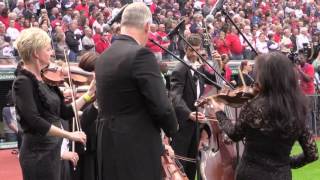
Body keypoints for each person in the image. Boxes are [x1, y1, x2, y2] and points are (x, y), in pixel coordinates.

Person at [95, 3, 178, 180]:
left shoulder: (104, 57)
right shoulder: (141, 55)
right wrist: (173, 129)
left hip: (108, 145)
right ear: (147, 26)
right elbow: (162, 107)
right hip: (136, 149)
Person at [209, 52, 318, 180]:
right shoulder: (297, 109)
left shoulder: (254, 106)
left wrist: (219, 112)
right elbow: (312, 154)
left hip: (250, 173)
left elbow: (234, 134)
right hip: (281, 174)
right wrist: (286, 163)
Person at [12, 27, 94, 180]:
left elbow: (65, 112)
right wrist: (69, 134)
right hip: (38, 155)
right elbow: (35, 121)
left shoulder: (48, 79)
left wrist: (89, 95)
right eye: (48, 49)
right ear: (36, 53)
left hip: (54, 152)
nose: (52, 53)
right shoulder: (22, 82)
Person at [170, 34, 216, 180]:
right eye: (192, 50)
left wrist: (218, 63)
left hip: (197, 125)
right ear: (186, 49)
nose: (194, 54)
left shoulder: (199, 68)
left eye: (197, 50)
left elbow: (215, 81)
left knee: (192, 166)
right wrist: (189, 113)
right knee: (180, 166)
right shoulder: (179, 69)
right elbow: (175, 97)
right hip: (183, 125)